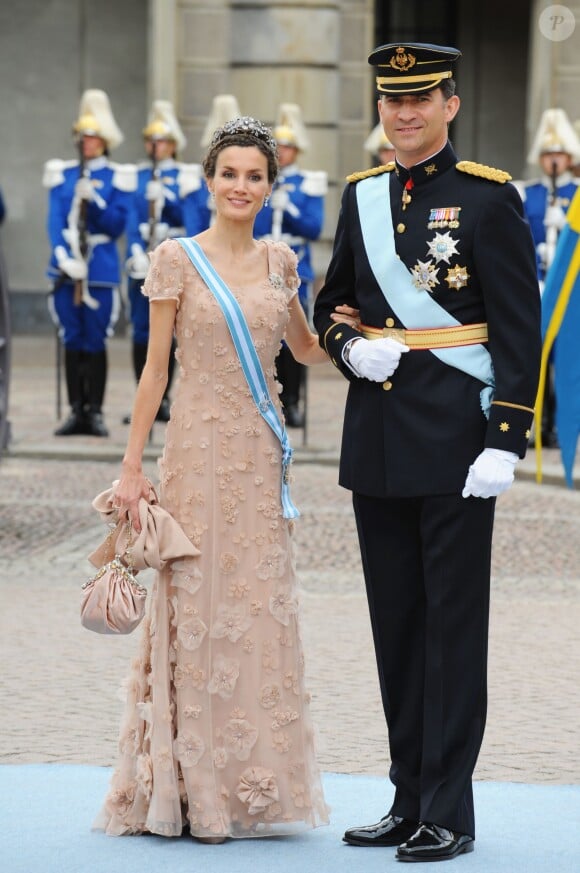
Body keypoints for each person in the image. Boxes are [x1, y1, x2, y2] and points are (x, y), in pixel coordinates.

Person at [93, 115, 356, 842]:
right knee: (197, 607)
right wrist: (130, 466)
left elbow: (305, 349)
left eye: (255, 175)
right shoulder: (176, 258)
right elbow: (154, 372)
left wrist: (371, 331)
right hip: (197, 454)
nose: (241, 185)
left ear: (272, 186)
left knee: (257, 610)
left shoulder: (282, 262)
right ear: (209, 180)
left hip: (259, 459)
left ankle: (249, 786)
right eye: (229, 173)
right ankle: (186, 786)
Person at [313, 42, 541, 862]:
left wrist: (505, 438)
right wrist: (346, 346)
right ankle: (407, 795)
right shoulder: (363, 196)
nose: (404, 114)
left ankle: (451, 808)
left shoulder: (487, 200)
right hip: (377, 437)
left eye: (421, 99)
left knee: (451, 630)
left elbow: (518, 327)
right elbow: (330, 299)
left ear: (449, 104)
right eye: (391, 101)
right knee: (397, 627)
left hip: (454, 442)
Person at [44, 89, 135, 437]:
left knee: (95, 339)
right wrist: (64, 258)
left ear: (104, 141)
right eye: (83, 137)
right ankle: (75, 411)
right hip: (68, 269)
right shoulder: (62, 175)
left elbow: (115, 226)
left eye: (94, 137)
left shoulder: (116, 177)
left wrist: (94, 200)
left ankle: (94, 411)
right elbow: (54, 221)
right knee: (71, 337)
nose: (87, 143)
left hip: (99, 268)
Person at [124, 100, 201, 424]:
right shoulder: (135, 175)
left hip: (170, 260)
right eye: (152, 141)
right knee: (141, 331)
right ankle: (143, 398)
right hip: (143, 261)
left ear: (173, 144)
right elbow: (129, 216)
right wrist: (134, 250)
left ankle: (167, 398)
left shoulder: (185, 176)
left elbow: (191, 218)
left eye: (163, 141)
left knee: (170, 332)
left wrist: (168, 198)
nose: (156, 147)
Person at [254, 104, 327, 428]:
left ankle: (293, 402)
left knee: (294, 336)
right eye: (277, 147)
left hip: (294, 268)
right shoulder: (262, 181)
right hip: (261, 264)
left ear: (296, 149)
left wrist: (292, 211)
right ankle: (265, 399)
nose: (281, 152)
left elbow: (313, 228)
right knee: (261, 336)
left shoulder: (309, 183)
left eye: (285, 146)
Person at [515, 108, 580, 448]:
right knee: (534, 361)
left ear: (570, 157)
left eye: (559, 153)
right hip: (538, 285)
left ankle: (561, 427)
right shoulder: (528, 192)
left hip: (571, 288)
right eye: (548, 154)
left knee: (567, 362)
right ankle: (534, 425)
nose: (554, 160)